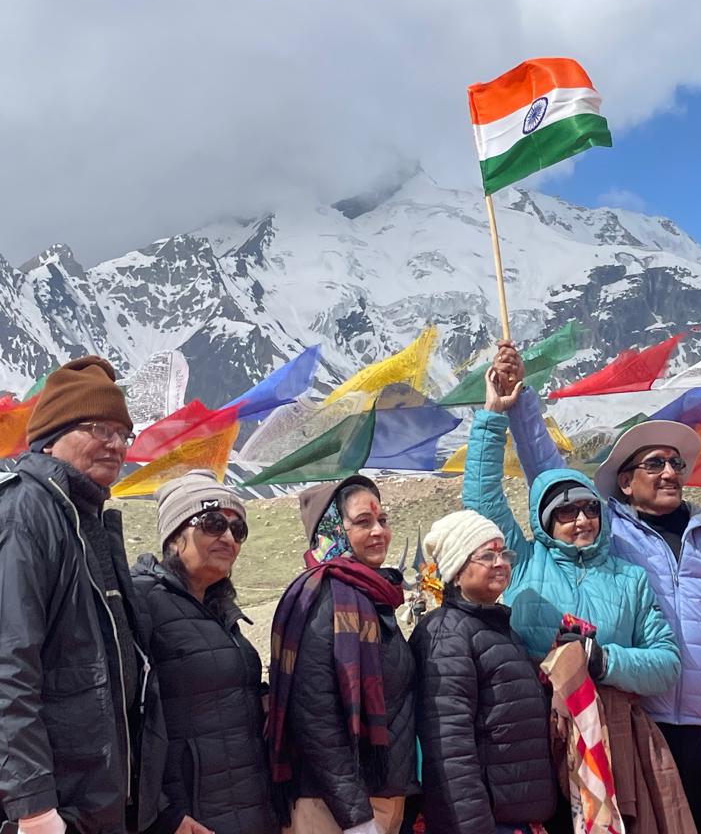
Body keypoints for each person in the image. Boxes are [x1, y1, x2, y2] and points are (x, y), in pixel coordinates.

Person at [495, 343, 701, 834]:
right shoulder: (610, 532)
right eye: (655, 463)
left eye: (676, 463)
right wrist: (517, 399)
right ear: (625, 483)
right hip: (641, 720)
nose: (670, 472)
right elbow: (547, 471)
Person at [0, 356, 184, 834]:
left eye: (123, 433)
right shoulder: (26, 512)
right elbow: (8, 666)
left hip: (98, 807)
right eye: (99, 428)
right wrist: (33, 808)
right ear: (52, 436)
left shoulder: (88, 519)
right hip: (56, 809)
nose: (116, 444)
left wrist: (159, 809)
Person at [465, 367, 679, 698]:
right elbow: (483, 501)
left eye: (591, 509)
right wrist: (492, 416)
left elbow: (667, 665)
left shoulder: (630, 579)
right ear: (547, 521)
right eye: (566, 512)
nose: (582, 520)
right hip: (531, 714)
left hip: (606, 723)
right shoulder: (521, 561)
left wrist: (603, 660)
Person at [266, 476, 417, 834]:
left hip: (378, 796)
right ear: (334, 530)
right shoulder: (323, 600)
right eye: (364, 522)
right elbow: (315, 718)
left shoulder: (372, 597)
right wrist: (357, 818)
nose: (379, 531)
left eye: (382, 520)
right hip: (333, 809)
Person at [131, 470, 277, 834]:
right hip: (190, 818)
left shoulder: (218, 608)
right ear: (174, 538)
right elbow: (119, 719)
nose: (228, 538)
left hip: (249, 807)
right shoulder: (140, 602)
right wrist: (164, 814)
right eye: (213, 524)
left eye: (237, 529)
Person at [411, 508, 558, 834]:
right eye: (487, 556)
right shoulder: (446, 636)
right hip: (486, 823)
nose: (500, 562)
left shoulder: (496, 627)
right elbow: (450, 747)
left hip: (517, 818)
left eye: (503, 553)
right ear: (456, 572)